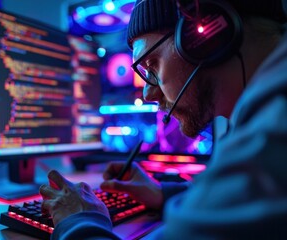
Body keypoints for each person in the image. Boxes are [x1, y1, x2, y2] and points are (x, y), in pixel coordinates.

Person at [39, 0, 287, 239]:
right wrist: (165, 194)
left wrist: (79, 221)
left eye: (152, 65)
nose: (147, 94)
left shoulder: (275, 131)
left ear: (206, 35)